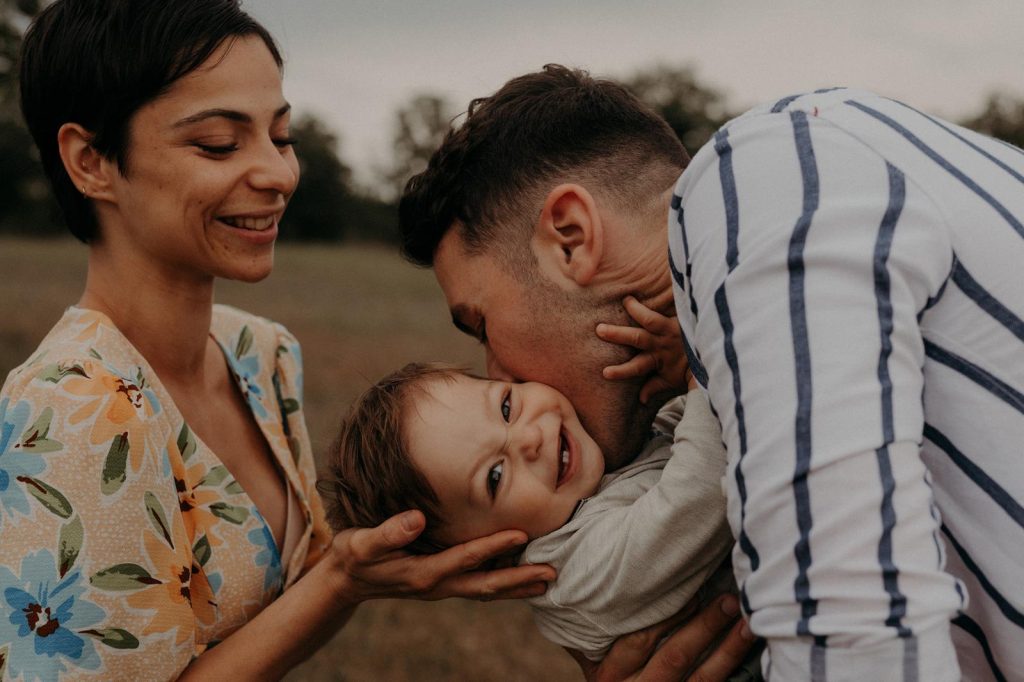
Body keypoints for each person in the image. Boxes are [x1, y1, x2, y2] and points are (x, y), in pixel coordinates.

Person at [398, 64, 1024, 680]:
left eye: (480, 325)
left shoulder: (757, 189)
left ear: (569, 237)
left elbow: (859, 647)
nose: (498, 375)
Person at [0, 3, 556, 680]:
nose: (279, 174)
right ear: (91, 162)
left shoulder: (262, 353)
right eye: (218, 144)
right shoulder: (69, 411)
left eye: (281, 136)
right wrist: (339, 582)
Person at [319, 347, 753, 668]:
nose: (528, 439)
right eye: (494, 476)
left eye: (506, 407)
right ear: (482, 554)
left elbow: (677, 441)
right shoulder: (574, 572)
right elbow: (702, 486)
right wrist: (703, 358)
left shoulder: (587, 491)